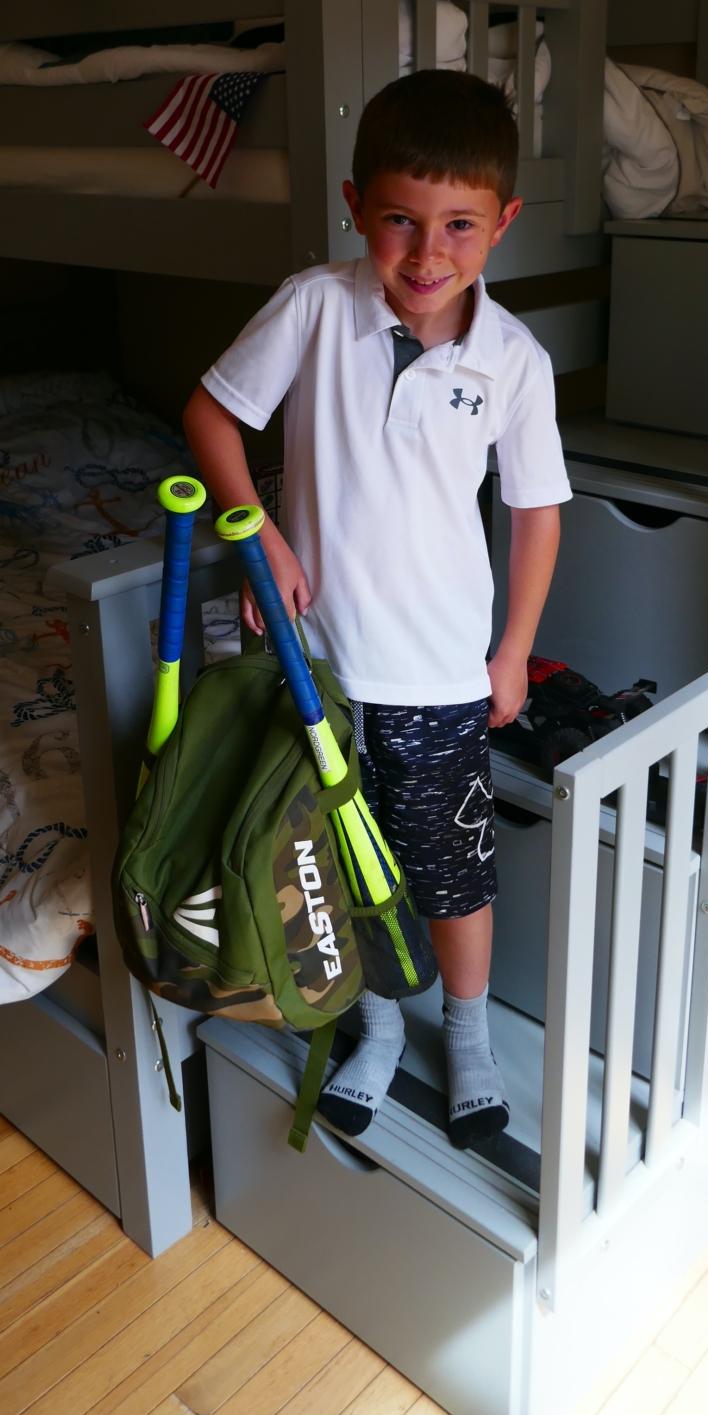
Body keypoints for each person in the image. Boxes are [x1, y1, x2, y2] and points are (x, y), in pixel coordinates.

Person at [183, 68, 570, 1147]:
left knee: (449, 876)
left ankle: (469, 1033)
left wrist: (514, 654)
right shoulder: (316, 305)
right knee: (337, 867)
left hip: (442, 673)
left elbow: (536, 515)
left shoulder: (512, 362)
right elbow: (211, 416)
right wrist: (254, 527)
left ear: (503, 225)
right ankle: (377, 1027)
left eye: (458, 225)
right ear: (357, 207)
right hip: (321, 668)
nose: (426, 254)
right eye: (400, 221)